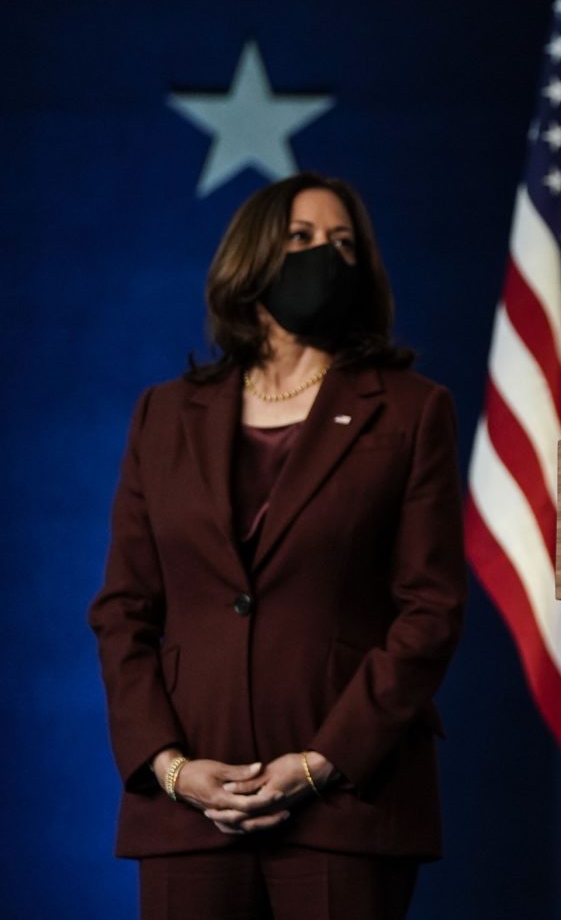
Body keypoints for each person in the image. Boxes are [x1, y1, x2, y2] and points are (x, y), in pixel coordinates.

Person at [89, 173, 466, 920]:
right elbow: (123, 610)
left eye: (343, 244)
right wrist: (169, 767)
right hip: (189, 811)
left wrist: (322, 762)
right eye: (301, 238)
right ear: (252, 257)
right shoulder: (163, 414)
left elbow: (430, 611)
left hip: (347, 804)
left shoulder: (412, 410)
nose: (325, 256)